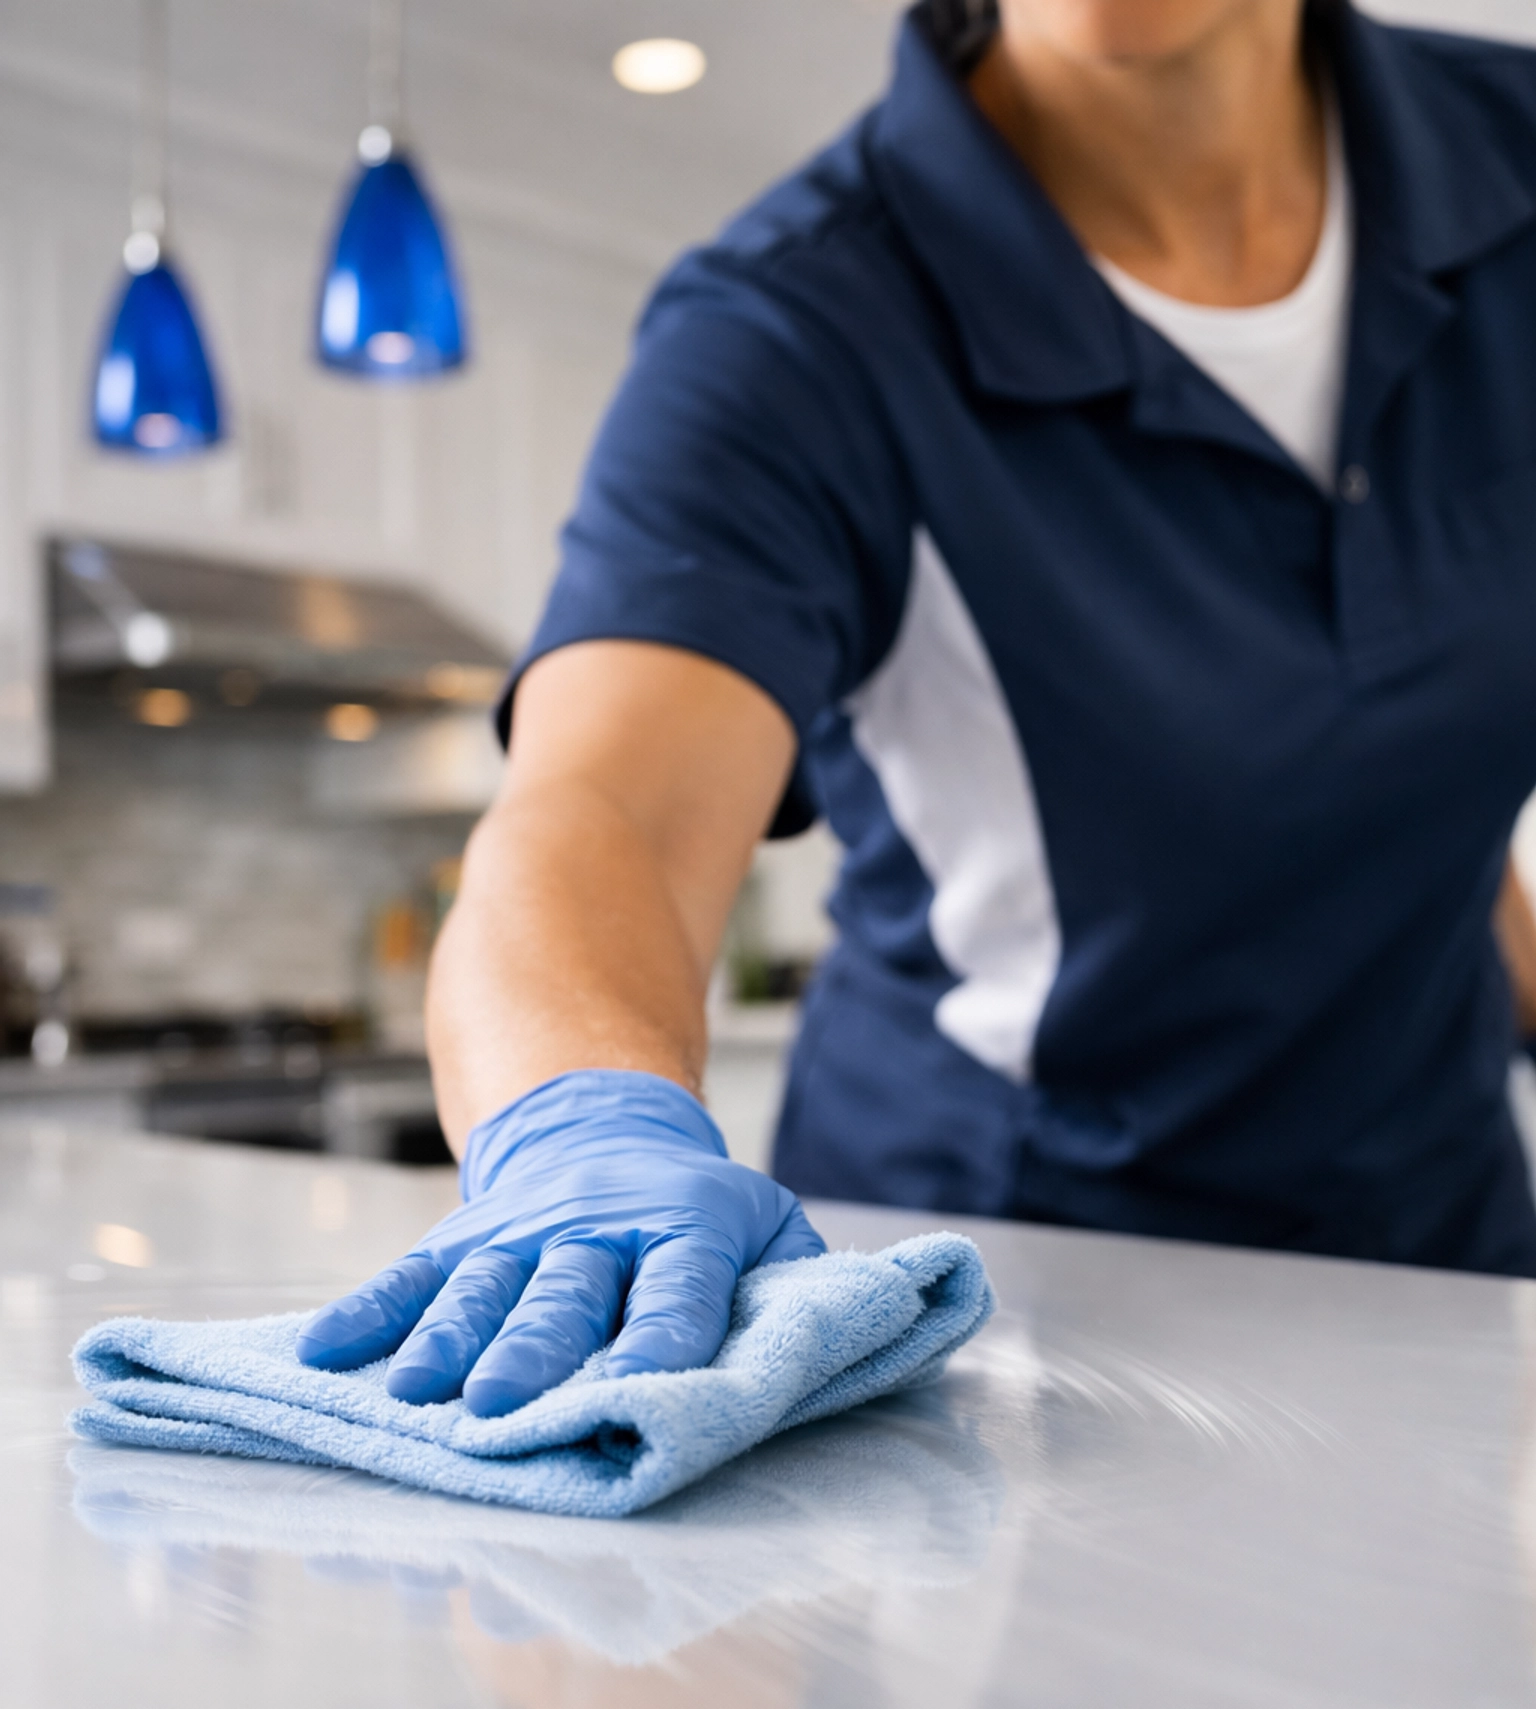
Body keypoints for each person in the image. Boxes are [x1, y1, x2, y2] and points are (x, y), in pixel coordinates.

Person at [301, 0, 1536, 1415]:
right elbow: (605, 814)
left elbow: (1389, 772)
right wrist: (583, 1129)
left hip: (1443, 1267)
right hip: (1009, 1313)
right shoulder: (798, 330)